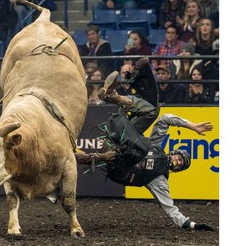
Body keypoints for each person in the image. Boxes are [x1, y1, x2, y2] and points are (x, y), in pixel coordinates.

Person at [75, 59, 215, 231]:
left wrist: (193, 225)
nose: (178, 161)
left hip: (119, 168)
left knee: (139, 149)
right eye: (180, 157)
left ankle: (93, 158)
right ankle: (113, 96)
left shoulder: (159, 180)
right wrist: (191, 126)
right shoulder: (156, 146)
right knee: (153, 111)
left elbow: (170, 208)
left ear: (177, 170)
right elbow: (164, 120)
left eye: (180, 164)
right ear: (174, 152)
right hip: (117, 138)